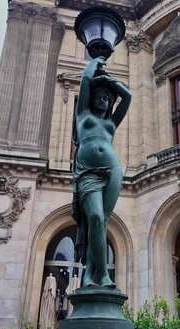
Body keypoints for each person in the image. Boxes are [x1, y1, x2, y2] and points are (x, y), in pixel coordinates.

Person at [72, 56, 131, 288]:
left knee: (101, 222)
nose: (104, 101)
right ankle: (103, 274)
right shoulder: (83, 115)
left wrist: (111, 83)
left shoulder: (112, 123)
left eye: (107, 99)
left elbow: (128, 97)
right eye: (100, 96)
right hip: (87, 172)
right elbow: (86, 80)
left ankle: (89, 276)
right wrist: (94, 62)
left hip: (113, 169)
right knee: (94, 217)